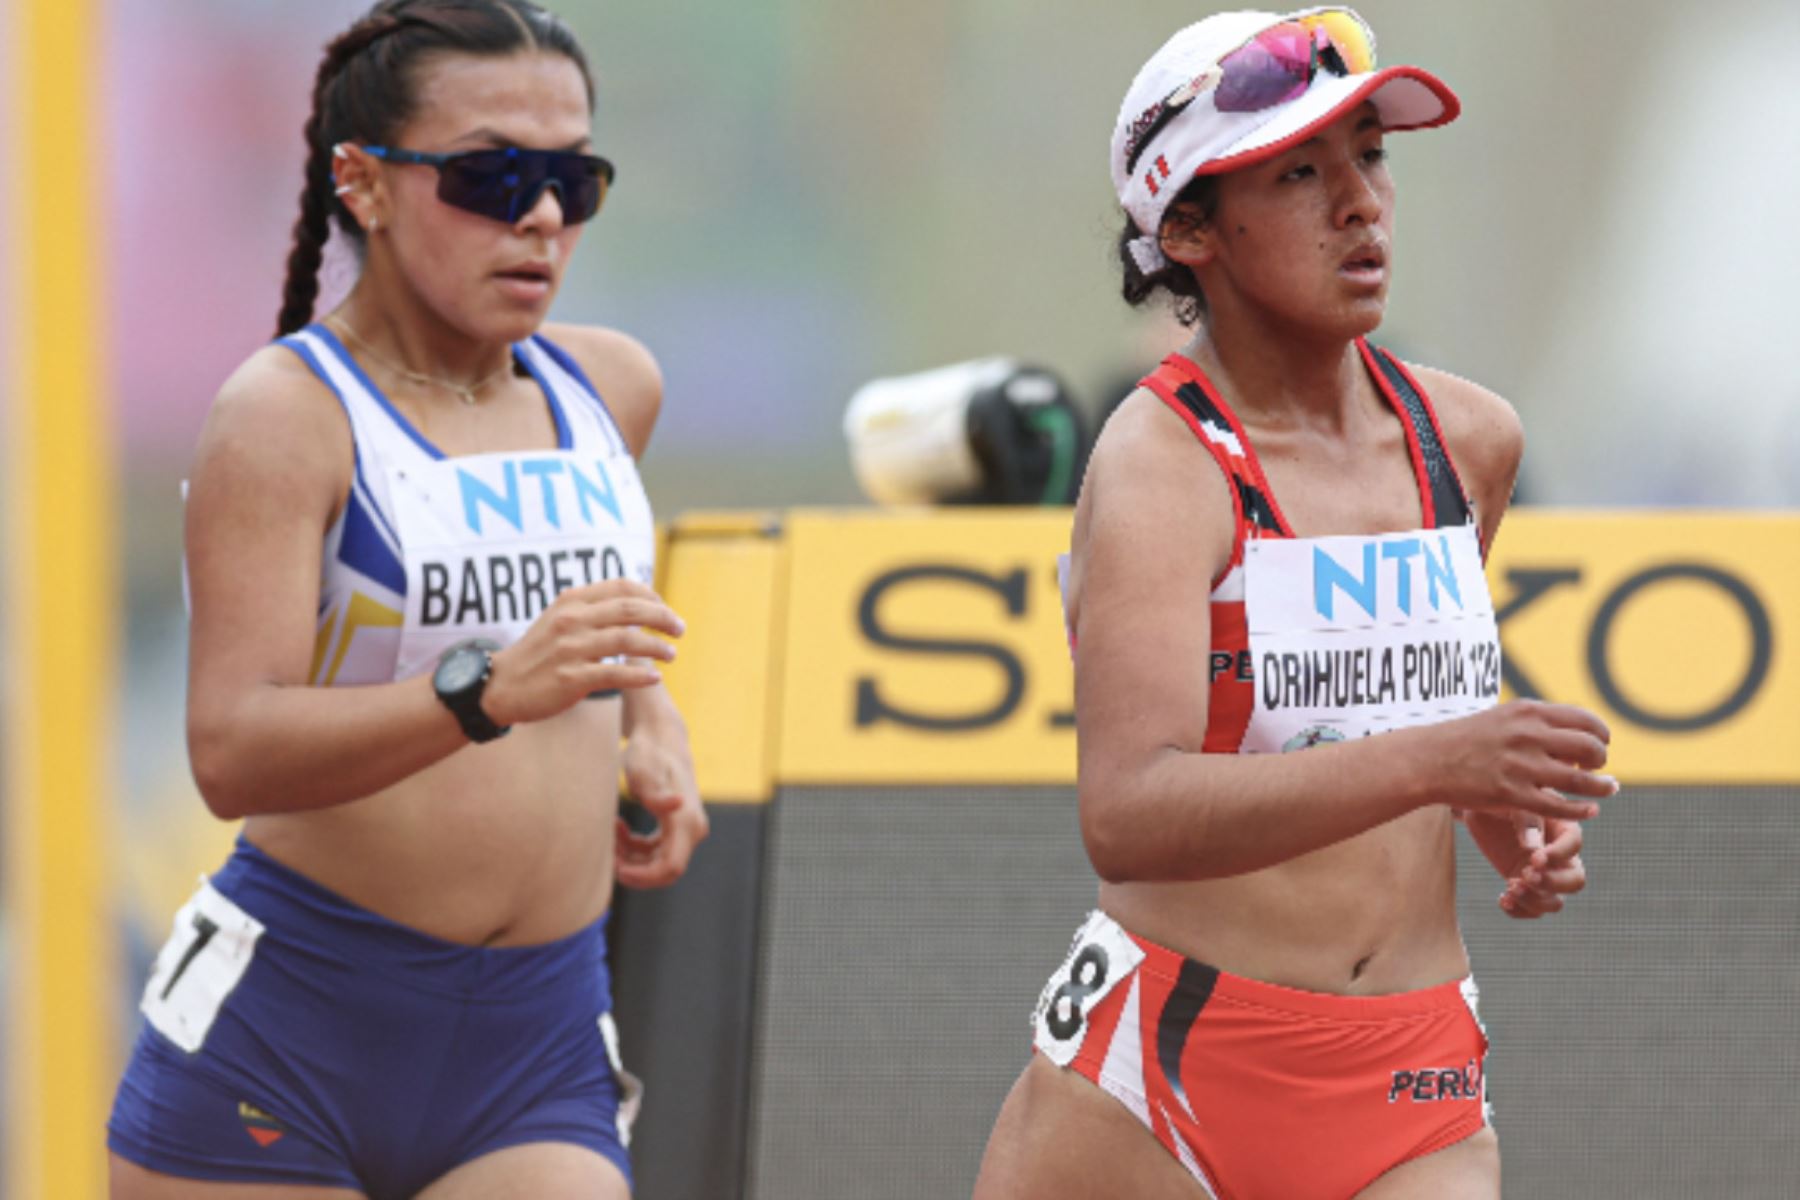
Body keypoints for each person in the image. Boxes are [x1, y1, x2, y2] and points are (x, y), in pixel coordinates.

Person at [974, 10, 1616, 1199]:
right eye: (1301, 173)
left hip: (1414, 1079)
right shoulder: (1160, 463)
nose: (1362, 204)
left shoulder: (1469, 438)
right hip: (1160, 1083)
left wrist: (1498, 811)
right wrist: (1445, 760)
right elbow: (1130, 812)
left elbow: (1387, 722)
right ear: (1189, 229)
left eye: (1370, 155)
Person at [106, 2, 707, 1196]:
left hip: (535, 1032)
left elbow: (588, 610)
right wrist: (482, 693)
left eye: (572, 180)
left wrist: (651, 729)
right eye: (492, 175)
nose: (539, 215)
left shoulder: (610, 386)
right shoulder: (283, 418)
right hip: (293, 1031)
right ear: (365, 183)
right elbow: (231, 750)